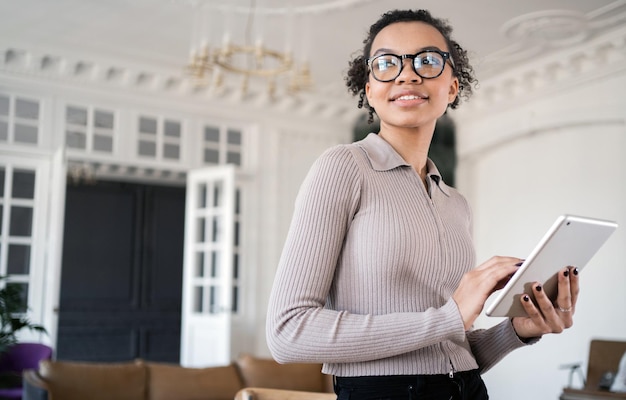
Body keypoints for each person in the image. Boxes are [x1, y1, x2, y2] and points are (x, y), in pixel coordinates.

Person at [266, 9, 578, 400]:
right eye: (386, 63)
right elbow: (288, 333)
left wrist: (517, 330)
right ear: (369, 89)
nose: (407, 74)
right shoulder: (342, 167)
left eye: (428, 60)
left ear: (452, 87)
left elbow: (448, 347)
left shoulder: (456, 202)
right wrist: (449, 316)